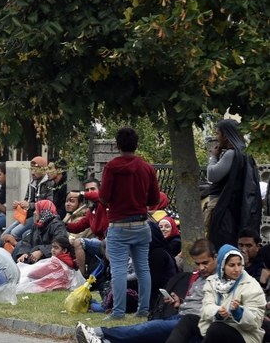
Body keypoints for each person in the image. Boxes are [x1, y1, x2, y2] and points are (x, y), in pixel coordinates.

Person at [76, 239, 218, 343]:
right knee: (146, 331)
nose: (201, 268)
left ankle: (100, 332)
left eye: (205, 263)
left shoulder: (220, 280)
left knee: (149, 328)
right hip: (182, 315)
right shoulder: (198, 277)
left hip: (194, 322)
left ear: (216, 258)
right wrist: (179, 303)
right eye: (198, 264)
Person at [100, 127, 161, 319]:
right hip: (142, 225)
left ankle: (118, 311)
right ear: (136, 145)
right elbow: (154, 199)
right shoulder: (147, 168)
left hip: (118, 225)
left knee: (118, 269)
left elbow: (104, 197)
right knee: (143, 268)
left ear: (117, 145)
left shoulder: (111, 167)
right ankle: (143, 309)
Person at [206, 119, 262, 252]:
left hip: (226, 210)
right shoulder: (245, 153)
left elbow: (212, 175)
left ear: (225, 135)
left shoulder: (231, 154)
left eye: (218, 134)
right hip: (238, 209)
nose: (216, 138)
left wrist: (213, 157)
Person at [198, 244, 266, 343]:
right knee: (189, 319)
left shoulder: (251, 284)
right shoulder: (211, 282)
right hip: (216, 326)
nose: (237, 269)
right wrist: (218, 312)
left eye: (239, 264)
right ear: (222, 266)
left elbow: (256, 321)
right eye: (232, 265)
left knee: (216, 329)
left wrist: (239, 312)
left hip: (244, 333)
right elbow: (206, 307)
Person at [0, 156, 54, 249]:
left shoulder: (49, 183)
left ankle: (18, 252)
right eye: (31, 169)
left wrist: (30, 205)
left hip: (40, 218)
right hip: (28, 215)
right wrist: (20, 204)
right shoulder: (31, 183)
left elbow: (49, 204)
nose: (32, 172)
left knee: (14, 233)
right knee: (4, 235)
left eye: (35, 169)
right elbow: (27, 199)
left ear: (43, 169)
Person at [67, 179, 109, 276]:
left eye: (92, 189)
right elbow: (79, 226)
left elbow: (98, 197)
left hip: (111, 242)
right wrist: (64, 225)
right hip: (101, 243)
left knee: (78, 242)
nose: (89, 192)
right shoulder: (92, 210)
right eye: (87, 190)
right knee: (78, 242)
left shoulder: (104, 203)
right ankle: (83, 277)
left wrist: (80, 194)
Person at [13, 199, 69, 264]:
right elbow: (27, 241)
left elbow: (59, 246)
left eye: (36, 210)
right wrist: (24, 253)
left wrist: (41, 252)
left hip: (50, 261)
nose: (34, 213)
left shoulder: (58, 226)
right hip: (35, 259)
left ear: (43, 211)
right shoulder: (37, 225)